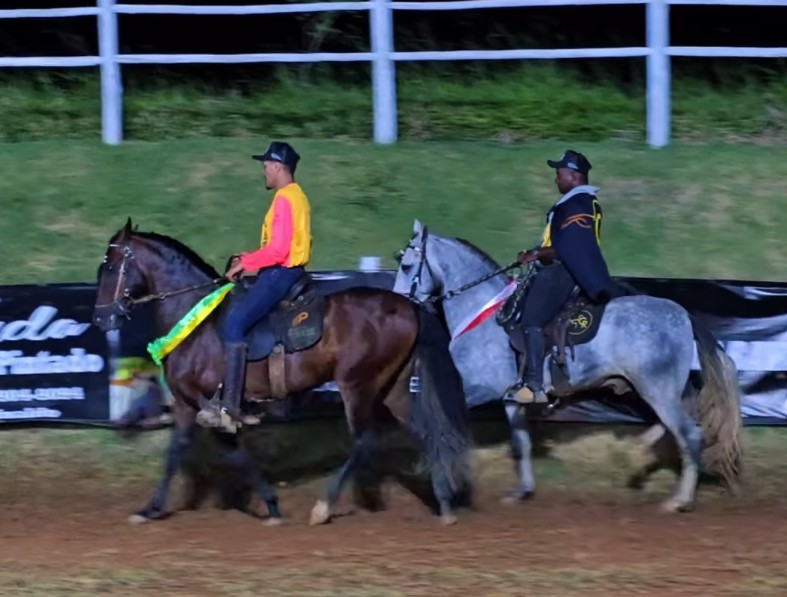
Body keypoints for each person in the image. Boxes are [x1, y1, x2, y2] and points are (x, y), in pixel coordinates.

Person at [204, 141, 313, 425]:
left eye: (266, 167)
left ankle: (230, 407)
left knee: (234, 323)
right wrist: (250, 256)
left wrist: (246, 264)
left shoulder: (285, 199)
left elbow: (279, 251)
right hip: (283, 270)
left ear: (278, 166)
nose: (264, 172)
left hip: (281, 273)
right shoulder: (294, 196)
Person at [505, 150, 625, 405]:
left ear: (574, 176)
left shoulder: (577, 205)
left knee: (531, 320)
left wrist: (535, 254)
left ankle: (534, 386)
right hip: (560, 266)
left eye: (559, 174)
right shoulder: (576, 203)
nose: (556, 179)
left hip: (564, 270)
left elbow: (570, 248)